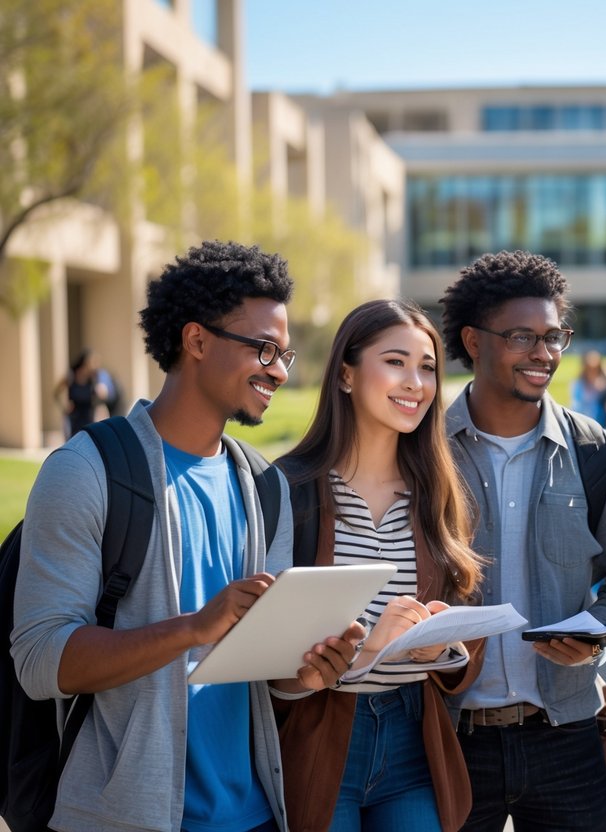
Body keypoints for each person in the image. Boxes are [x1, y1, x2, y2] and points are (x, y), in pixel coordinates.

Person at [11, 240, 360, 832]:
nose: (278, 369)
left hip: (253, 815)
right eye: (264, 349)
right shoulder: (86, 470)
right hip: (125, 817)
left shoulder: (265, 487)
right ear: (196, 341)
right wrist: (195, 627)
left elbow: (257, 667)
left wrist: (308, 672)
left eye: (286, 354)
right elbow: (42, 660)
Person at [439, 250, 606, 832]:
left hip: (567, 735)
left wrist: (595, 632)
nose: (544, 353)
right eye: (523, 336)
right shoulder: (422, 451)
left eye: (555, 337)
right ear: (473, 342)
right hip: (450, 737)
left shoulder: (595, 453)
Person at [273, 298, 485, 832]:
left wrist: (442, 648)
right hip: (320, 737)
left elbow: (467, 630)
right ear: (346, 373)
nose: (416, 382)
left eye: (428, 367)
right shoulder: (288, 489)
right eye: (396, 362)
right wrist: (369, 644)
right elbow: (264, 654)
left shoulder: (437, 492)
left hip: (414, 737)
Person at [55, 348, 109, 437]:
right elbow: (56, 393)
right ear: (85, 362)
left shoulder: (94, 378)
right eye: (93, 362)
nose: (95, 365)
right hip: (73, 418)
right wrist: (64, 406)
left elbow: (103, 397)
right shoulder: (71, 376)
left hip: (89, 418)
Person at [570, 349, 606, 430]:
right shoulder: (579, 383)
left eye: (595, 368)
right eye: (590, 368)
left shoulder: (605, 380)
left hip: (601, 419)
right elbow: (576, 403)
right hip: (584, 419)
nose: (592, 371)